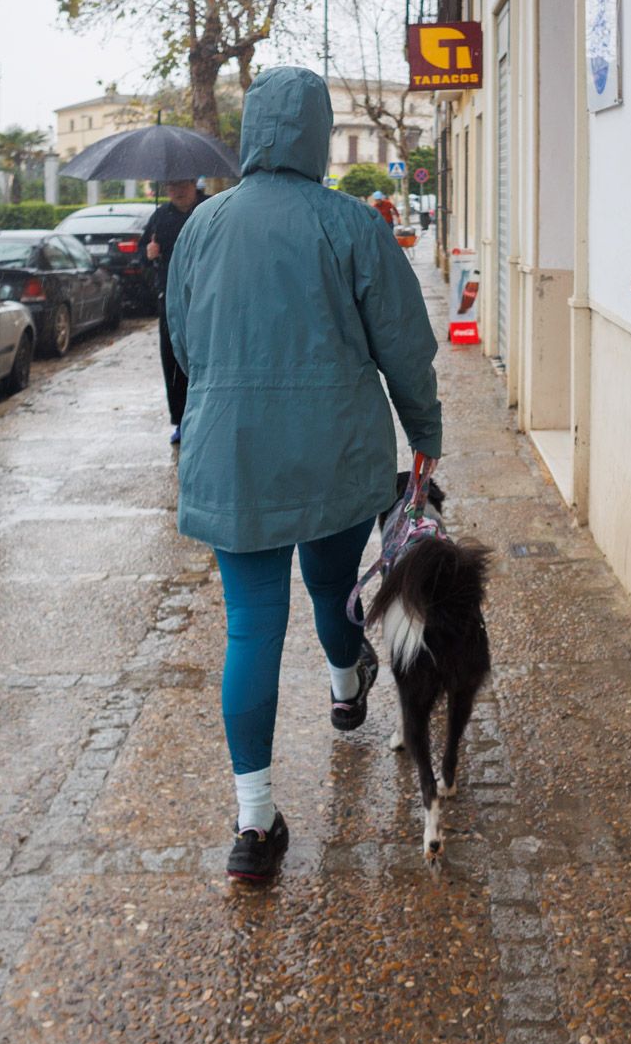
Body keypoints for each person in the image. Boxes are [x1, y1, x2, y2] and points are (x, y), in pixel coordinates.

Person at [167, 67, 441, 882]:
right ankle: (345, 684)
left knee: (250, 626)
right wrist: (423, 435)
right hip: (333, 453)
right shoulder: (350, 224)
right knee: (331, 593)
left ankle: (254, 824)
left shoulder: (203, 227)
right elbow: (405, 344)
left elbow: (183, 343)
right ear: (318, 135)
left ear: (251, 131)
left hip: (233, 457)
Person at [144, 179, 207, 443]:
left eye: (182, 184)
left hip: (205, 298)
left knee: (205, 360)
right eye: (171, 186)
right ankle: (180, 420)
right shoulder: (159, 218)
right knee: (172, 361)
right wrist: (149, 253)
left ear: (194, 183)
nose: (177, 191)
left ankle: (206, 417)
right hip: (170, 301)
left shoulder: (210, 209)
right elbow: (142, 256)